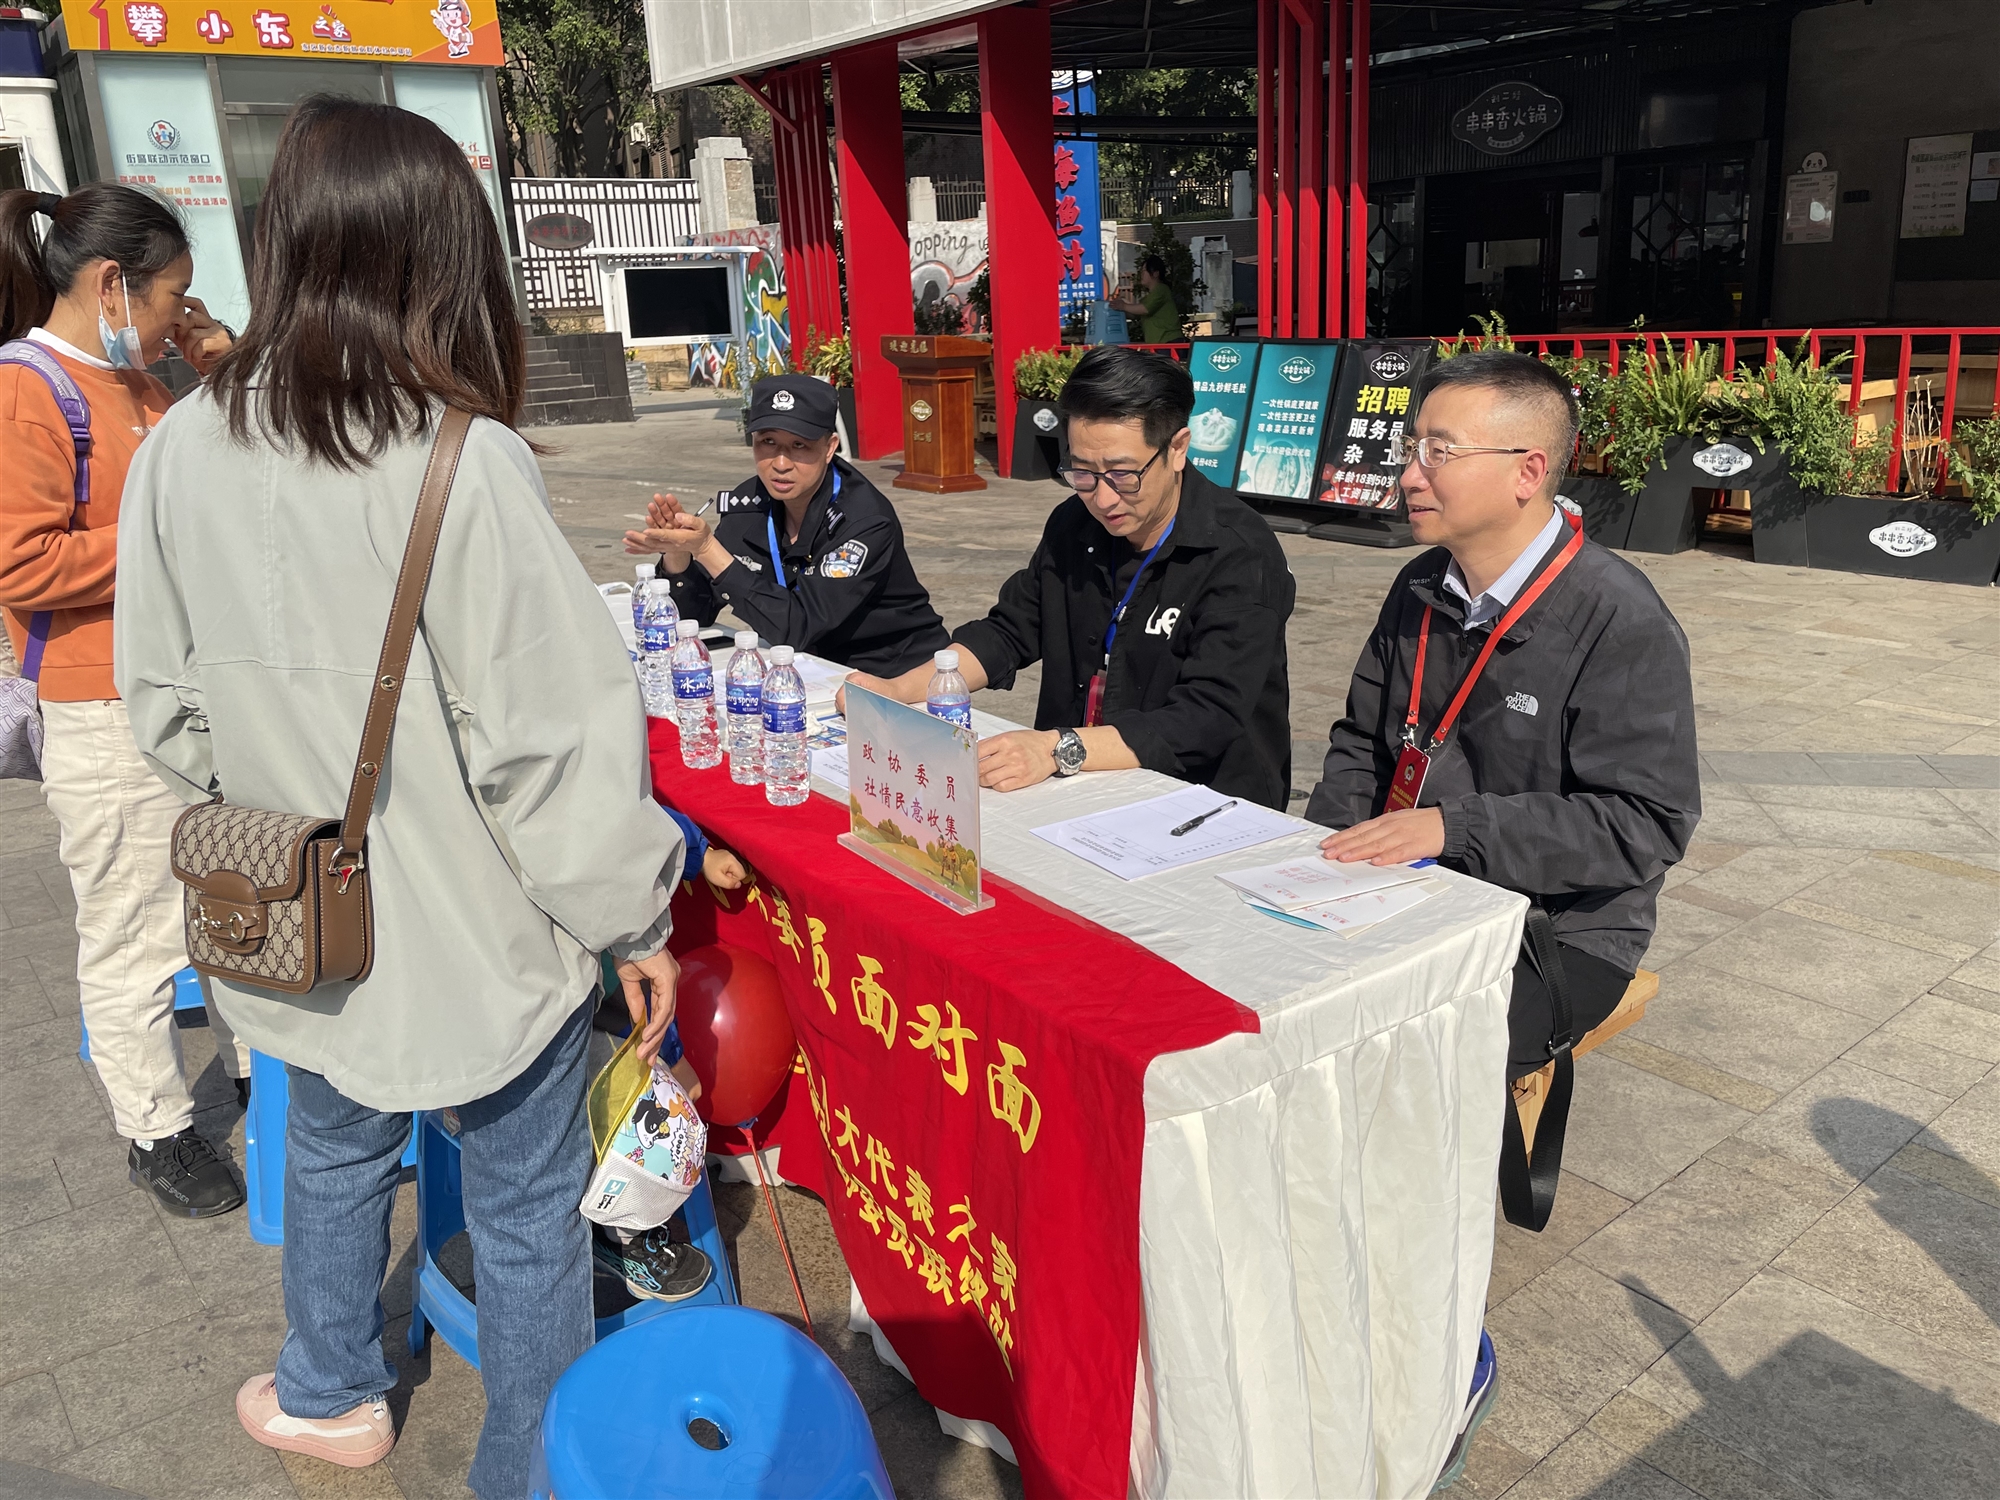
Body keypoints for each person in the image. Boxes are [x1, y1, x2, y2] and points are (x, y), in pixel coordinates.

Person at [115, 97, 686, 1496]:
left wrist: (271, 816)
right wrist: (633, 916)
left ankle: (330, 1392)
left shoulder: (182, 444)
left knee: (329, 1146)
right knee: (530, 1215)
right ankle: (527, 1468)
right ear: (440, 258)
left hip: (296, 917)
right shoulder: (460, 459)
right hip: (479, 945)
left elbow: (161, 705)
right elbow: (549, 751)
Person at [1303, 350, 1699, 1221]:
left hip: (1557, 929)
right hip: (1412, 884)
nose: (1410, 473)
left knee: (1395, 1056)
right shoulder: (1419, 585)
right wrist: (1316, 858)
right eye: (1412, 446)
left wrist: (1455, 829)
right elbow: (1361, 745)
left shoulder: (1618, 618)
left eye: (1439, 451)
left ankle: (1419, 1272)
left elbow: (1645, 824)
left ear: (1527, 472)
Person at [0, 183, 248, 1218]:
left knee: (232, 899)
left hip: (189, 694)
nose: (177, 313)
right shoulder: (28, 390)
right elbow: (21, 562)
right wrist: (158, 537)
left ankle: (257, 1071)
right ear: (112, 284)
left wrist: (221, 367)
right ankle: (155, 1127)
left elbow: (235, 474)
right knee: (137, 927)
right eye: (171, 296)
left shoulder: (141, 381)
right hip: (101, 705)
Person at [848, 345, 1295, 807]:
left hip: (1203, 801)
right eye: (1082, 472)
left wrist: (1053, 748)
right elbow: (1011, 630)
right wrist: (898, 689)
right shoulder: (1074, 523)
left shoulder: (1239, 553)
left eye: (1123, 474)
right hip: (1080, 782)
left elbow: (1207, 715)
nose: (1103, 499)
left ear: (1177, 448)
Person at [623, 374, 948, 675]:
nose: (780, 463)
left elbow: (799, 627)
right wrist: (679, 554)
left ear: (830, 447)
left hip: (896, 675)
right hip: (806, 673)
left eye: (799, 445)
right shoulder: (749, 504)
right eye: (768, 442)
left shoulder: (864, 520)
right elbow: (694, 616)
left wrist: (707, 549)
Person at [1110, 254, 1181, 345]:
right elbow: (1135, 314)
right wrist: (1118, 308)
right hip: (1160, 343)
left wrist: (1124, 306)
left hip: (1168, 342)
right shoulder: (1150, 296)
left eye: (1144, 271)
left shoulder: (1161, 289)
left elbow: (1144, 309)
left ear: (1155, 273)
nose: (1141, 274)